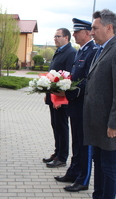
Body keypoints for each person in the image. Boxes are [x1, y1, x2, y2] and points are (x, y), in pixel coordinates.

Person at [83, 9, 116, 199]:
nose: (91, 32)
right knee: (99, 163)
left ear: (109, 27)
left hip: (109, 125)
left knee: (109, 166)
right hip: (98, 123)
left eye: (95, 28)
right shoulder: (103, 49)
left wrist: (114, 124)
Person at [53, 18, 97, 192]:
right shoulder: (81, 51)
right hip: (75, 104)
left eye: (77, 32)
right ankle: (74, 171)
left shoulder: (93, 51)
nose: (75, 35)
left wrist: (69, 91)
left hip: (83, 104)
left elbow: (88, 79)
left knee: (84, 143)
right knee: (76, 141)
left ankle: (83, 179)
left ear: (87, 33)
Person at [43, 28, 76, 168]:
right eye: (54, 36)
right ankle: (57, 153)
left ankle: (62, 157)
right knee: (55, 125)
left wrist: (59, 97)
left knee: (62, 127)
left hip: (62, 99)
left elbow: (68, 78)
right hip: (53, 97)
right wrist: (48, 94)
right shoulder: (59, 51)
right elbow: (52, 75)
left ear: (66, 38)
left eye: (58, 36)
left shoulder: (71, 53)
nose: (55, 38)